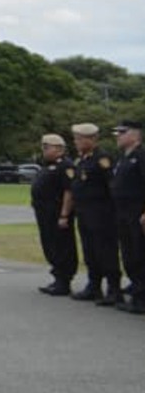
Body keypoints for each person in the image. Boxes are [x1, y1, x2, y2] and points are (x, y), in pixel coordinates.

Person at [62, 122, 121, 305]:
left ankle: (114, 288)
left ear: (92, 139)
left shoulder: (102, 159)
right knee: (90, 250)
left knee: (106, 250)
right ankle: (94, 285)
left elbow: (112, 186)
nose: (76, 142)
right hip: (84, 211)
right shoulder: (82, 160)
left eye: (80, 139)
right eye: (76, 139)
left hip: (101, 213)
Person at [31, 134, 78, 296]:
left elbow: (69, 191)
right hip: (45, 213)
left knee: (62, 246)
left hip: (57, 213)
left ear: (59, 149)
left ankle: (64, 280)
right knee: (50, 245)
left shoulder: (66, 166)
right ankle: (57, 277)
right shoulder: (49, 165)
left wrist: (64, 214)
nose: (43, 150)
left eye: (47, 147)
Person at [108, 119, 145, 315]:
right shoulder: (122, 158)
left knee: (139, 253)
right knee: (129, 253)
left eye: (122, 133)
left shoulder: (140, 155)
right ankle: (136, 287)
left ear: (134, 134)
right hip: (122, 212)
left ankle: (141, 298)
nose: (118, 137)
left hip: (136, 212)